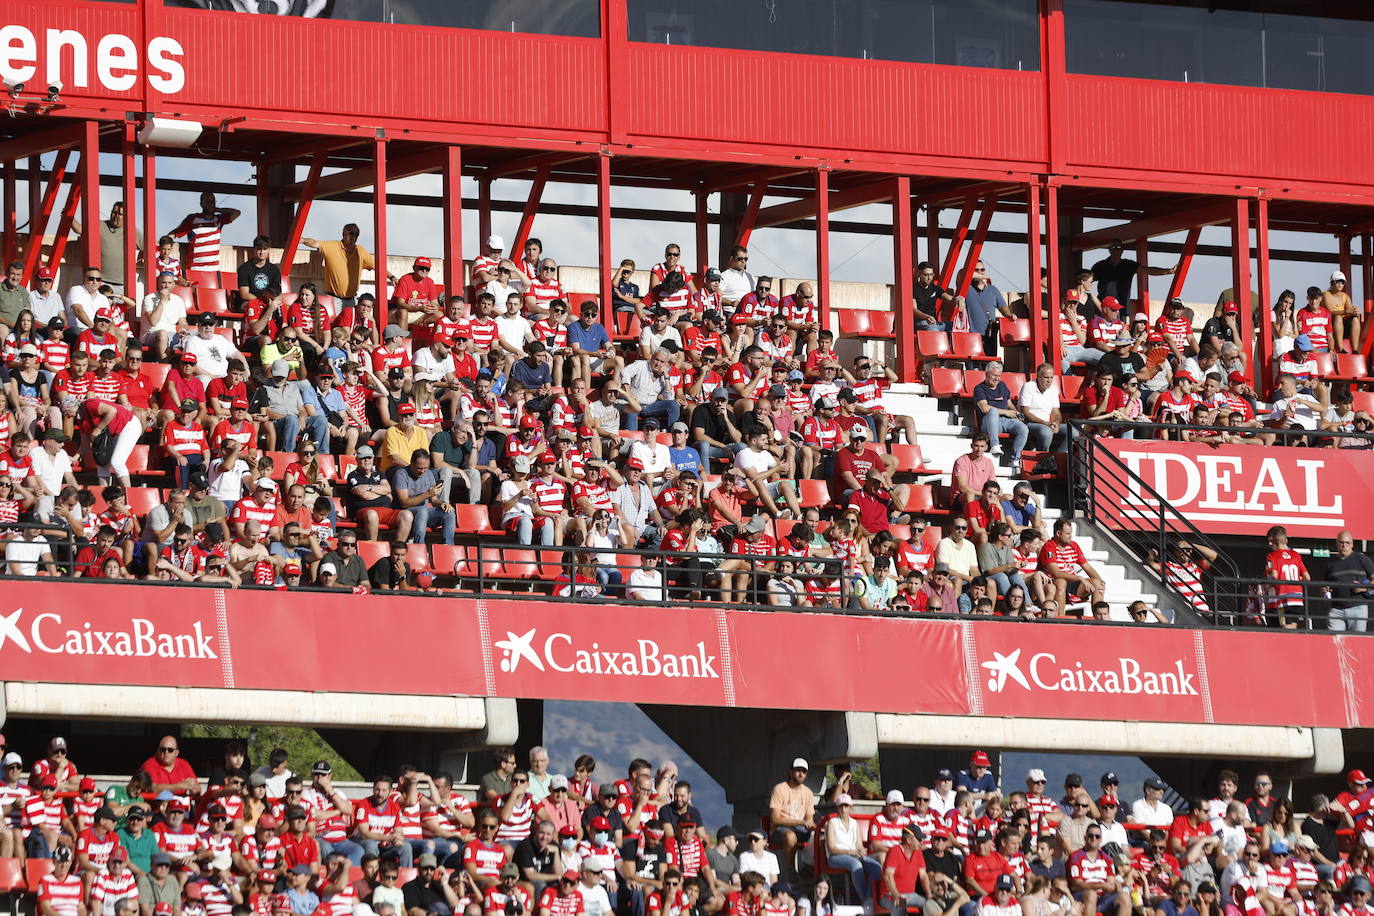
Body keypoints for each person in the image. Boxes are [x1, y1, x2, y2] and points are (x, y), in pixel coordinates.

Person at [303, 224, 377, 310]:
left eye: (356, 234)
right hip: (333, 299)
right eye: (351, 233)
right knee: (332, 323)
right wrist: (302, 239)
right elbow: (315, 243)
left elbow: (377, 266)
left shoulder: (360, 251)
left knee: (350, 323)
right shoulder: (332, 246)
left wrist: (392, 277)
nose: (353, 236)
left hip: (351, 301)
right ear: (343, 234)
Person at [1090, 239, 1176, 307]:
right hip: (1103, 306)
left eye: (1119, 247)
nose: (1116, 250)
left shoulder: (1128, 265)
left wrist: (1169, 271)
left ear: (1123, 250)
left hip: (1122, 307)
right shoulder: (1100, 266)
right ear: (1109, 249)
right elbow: (1086, 280)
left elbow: (1148, 270)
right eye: (1114, 247)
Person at [973, 362, 1027, 467]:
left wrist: (1016, 413)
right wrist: (1006, 412)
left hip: (1005, 421)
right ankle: (995, 445)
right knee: (992, 411)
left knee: (1023, 428)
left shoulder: (1002, 386)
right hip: (988, 422)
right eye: (994, 375)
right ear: (987, 374)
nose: (997, 378)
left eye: (998, 376)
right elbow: (984, 408)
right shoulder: (979, 388)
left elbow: (1009, 404)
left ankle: (1014, 459)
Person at [1326, 530, 1374, 632]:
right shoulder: (1330, 563)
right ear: (1337, 544)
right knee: (1335, 641)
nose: (1344, 545)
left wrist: (1363, 587)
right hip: (1336, 609)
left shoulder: (1361, 559)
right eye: (1341, 542)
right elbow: (1326, 585)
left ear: (1352, 544)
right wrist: (1324, 590)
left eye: (1347, 543)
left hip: (1358, 607)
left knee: (1357, 642)